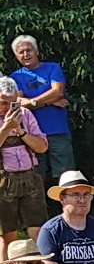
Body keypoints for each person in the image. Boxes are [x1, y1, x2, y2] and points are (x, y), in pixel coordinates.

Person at [9, 36, 72, 182]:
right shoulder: (15, 77)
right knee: (37, 177)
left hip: (57, 130)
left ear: (37, 51)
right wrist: (49, 102)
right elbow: (19, 102)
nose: (26, 54)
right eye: (21, 52)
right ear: (16, 56)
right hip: (32, 134)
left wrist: (32, 102)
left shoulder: (52, 68)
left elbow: (58, 92)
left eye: (29, 50)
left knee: (66, 176)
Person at [0, 77, 48, 242]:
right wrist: (6, 128)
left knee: (38, 231)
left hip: (30, 178)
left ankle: (41, 260)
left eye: (12, 103)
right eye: (3, 103)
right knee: (8, 235)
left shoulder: (25, 114)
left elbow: (42, 147)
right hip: (3, 181)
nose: (8, 108)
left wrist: (21, 131)